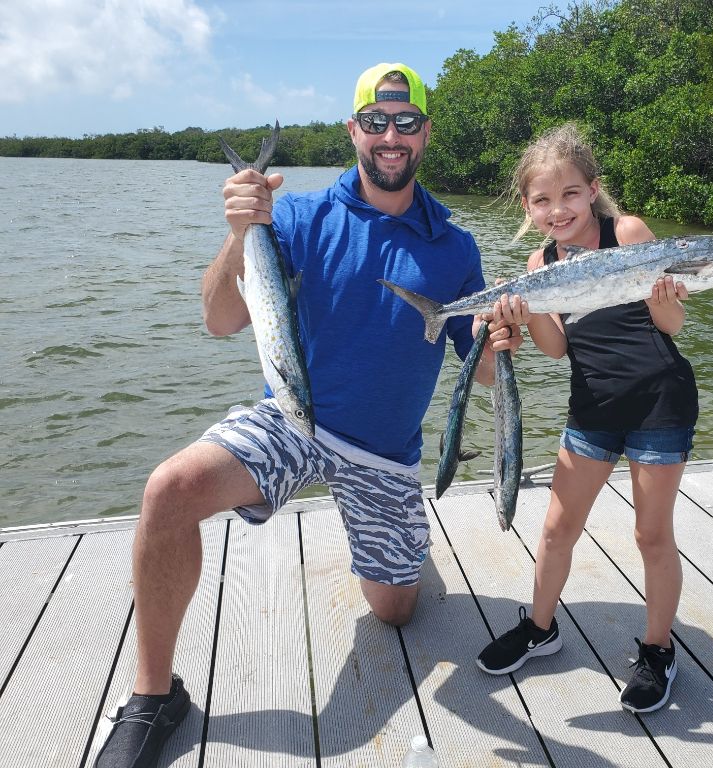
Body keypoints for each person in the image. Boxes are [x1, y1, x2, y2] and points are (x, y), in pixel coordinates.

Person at [93, 63, 521, 768]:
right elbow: (220, 319)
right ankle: (152, 694)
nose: (391, 136)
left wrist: (498, 334)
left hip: (385, 451)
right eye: (376, 122)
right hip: (293, 418)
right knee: (168, 490)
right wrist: (240, 231)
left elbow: (472, 359)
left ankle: (404, 550)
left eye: (406, 123)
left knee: (396, 611)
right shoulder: (295, 216)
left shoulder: (455, 246)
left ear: (425, 135)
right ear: (353, 129)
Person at [475, 123, 698, 714]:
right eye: (543, 200)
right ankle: (541, 628)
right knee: (555, 528)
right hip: (592, 405)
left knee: (651, 533)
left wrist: (664, 298)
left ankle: (657, 649)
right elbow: (555, 349)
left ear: (592, 190)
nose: (558, 209)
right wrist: (524, 315)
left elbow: (673, 329)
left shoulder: (627, 232)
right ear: (528, 206)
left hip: (659, 401)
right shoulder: (540, 259)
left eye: (570, 194)